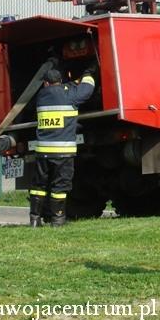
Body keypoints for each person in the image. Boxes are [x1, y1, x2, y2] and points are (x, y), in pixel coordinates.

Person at [28, 62, 96, 227]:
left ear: (45, 83)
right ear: (61, 81)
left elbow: (57, 91)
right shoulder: (70, 95)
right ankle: (58, 220)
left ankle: (35, 220)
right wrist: (88, 73)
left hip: (43, 152)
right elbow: (87, 88)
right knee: (60, 186)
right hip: (63, 152)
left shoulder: (41, 97)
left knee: (39, 186)